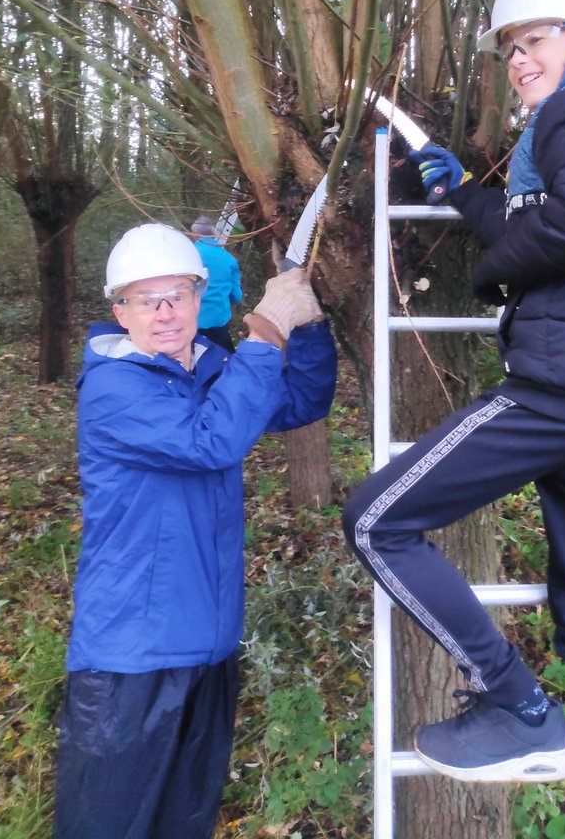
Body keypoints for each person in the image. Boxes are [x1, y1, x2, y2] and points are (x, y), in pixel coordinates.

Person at [342, 0, 565, 839]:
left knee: (377, 520)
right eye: (508, 51)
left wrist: (495, 271)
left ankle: (518, 707)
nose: (519, 63)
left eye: (533, 40)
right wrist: (466, 196)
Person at [53, 222, 336, 839]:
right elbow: (211, 441)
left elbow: (301, 402)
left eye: (176, 295)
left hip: (209, 647)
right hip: (131, 659)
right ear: (119, 311)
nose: (164, 313)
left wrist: (306, 325)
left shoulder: (211, 369)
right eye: (144, 300)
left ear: (198, 297)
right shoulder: (113, 388)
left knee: (186, 820)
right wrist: (266, 330)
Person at [190, 214, 244, 352]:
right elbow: (236, 297)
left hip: (190, 324)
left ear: (195, 234)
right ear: (214, 235)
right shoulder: (229, 259)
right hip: (218, 324)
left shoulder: (187, 255)